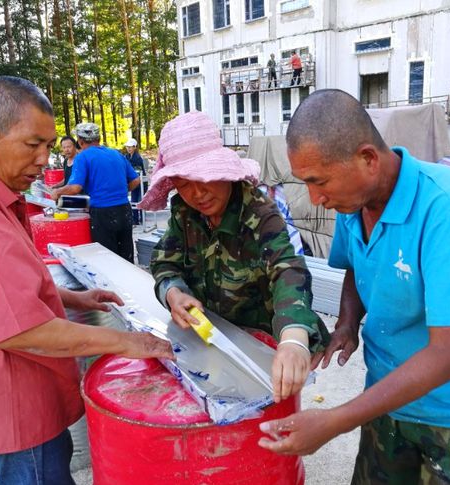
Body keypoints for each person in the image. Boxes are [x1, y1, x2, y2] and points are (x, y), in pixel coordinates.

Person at [258, 89, 450, 484]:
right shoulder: (352, 202)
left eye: (318, 182)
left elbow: (449, 356)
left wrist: (335, 421)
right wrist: (347, 323)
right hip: (388, 399)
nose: (315, 198)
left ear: (368, 159)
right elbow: (357, 266)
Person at [0, 76, 174, 485]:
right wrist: (129, 342)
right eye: (33, 145)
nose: (43, 160)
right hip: (12, 392)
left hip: (8, 384)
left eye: (50, 147)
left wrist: (71, 296)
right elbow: (21, 328)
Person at [138, 111, 330, 403]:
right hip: (206, 339)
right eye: (184, 183)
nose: (198, 193)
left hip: (259, 345)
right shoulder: (185, 214)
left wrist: (293, 340)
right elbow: (165, 261)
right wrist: (173, 293)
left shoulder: (259, 213)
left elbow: (288, 270)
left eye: (205, 178)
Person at [53, 123, 140, 263]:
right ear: (98, 138)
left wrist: (57, 191)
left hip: (102, 214)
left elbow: (75, 187)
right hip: (124, 210)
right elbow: (136, 180)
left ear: (80, 141)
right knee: (126, 258)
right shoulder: (116, 154)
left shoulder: (83, 157)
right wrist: (120, 192)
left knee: (107, 260)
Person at [124, 137, 147, 225]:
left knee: (140, 201)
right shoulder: (126, 157)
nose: (128, 148)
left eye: (130, 147)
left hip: (141, 182)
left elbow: (137, 171)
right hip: (133, 182)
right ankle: (135, 220)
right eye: (127, 147)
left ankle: (142, 219)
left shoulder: (137, 158)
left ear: (135, 147)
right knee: (133, 200)